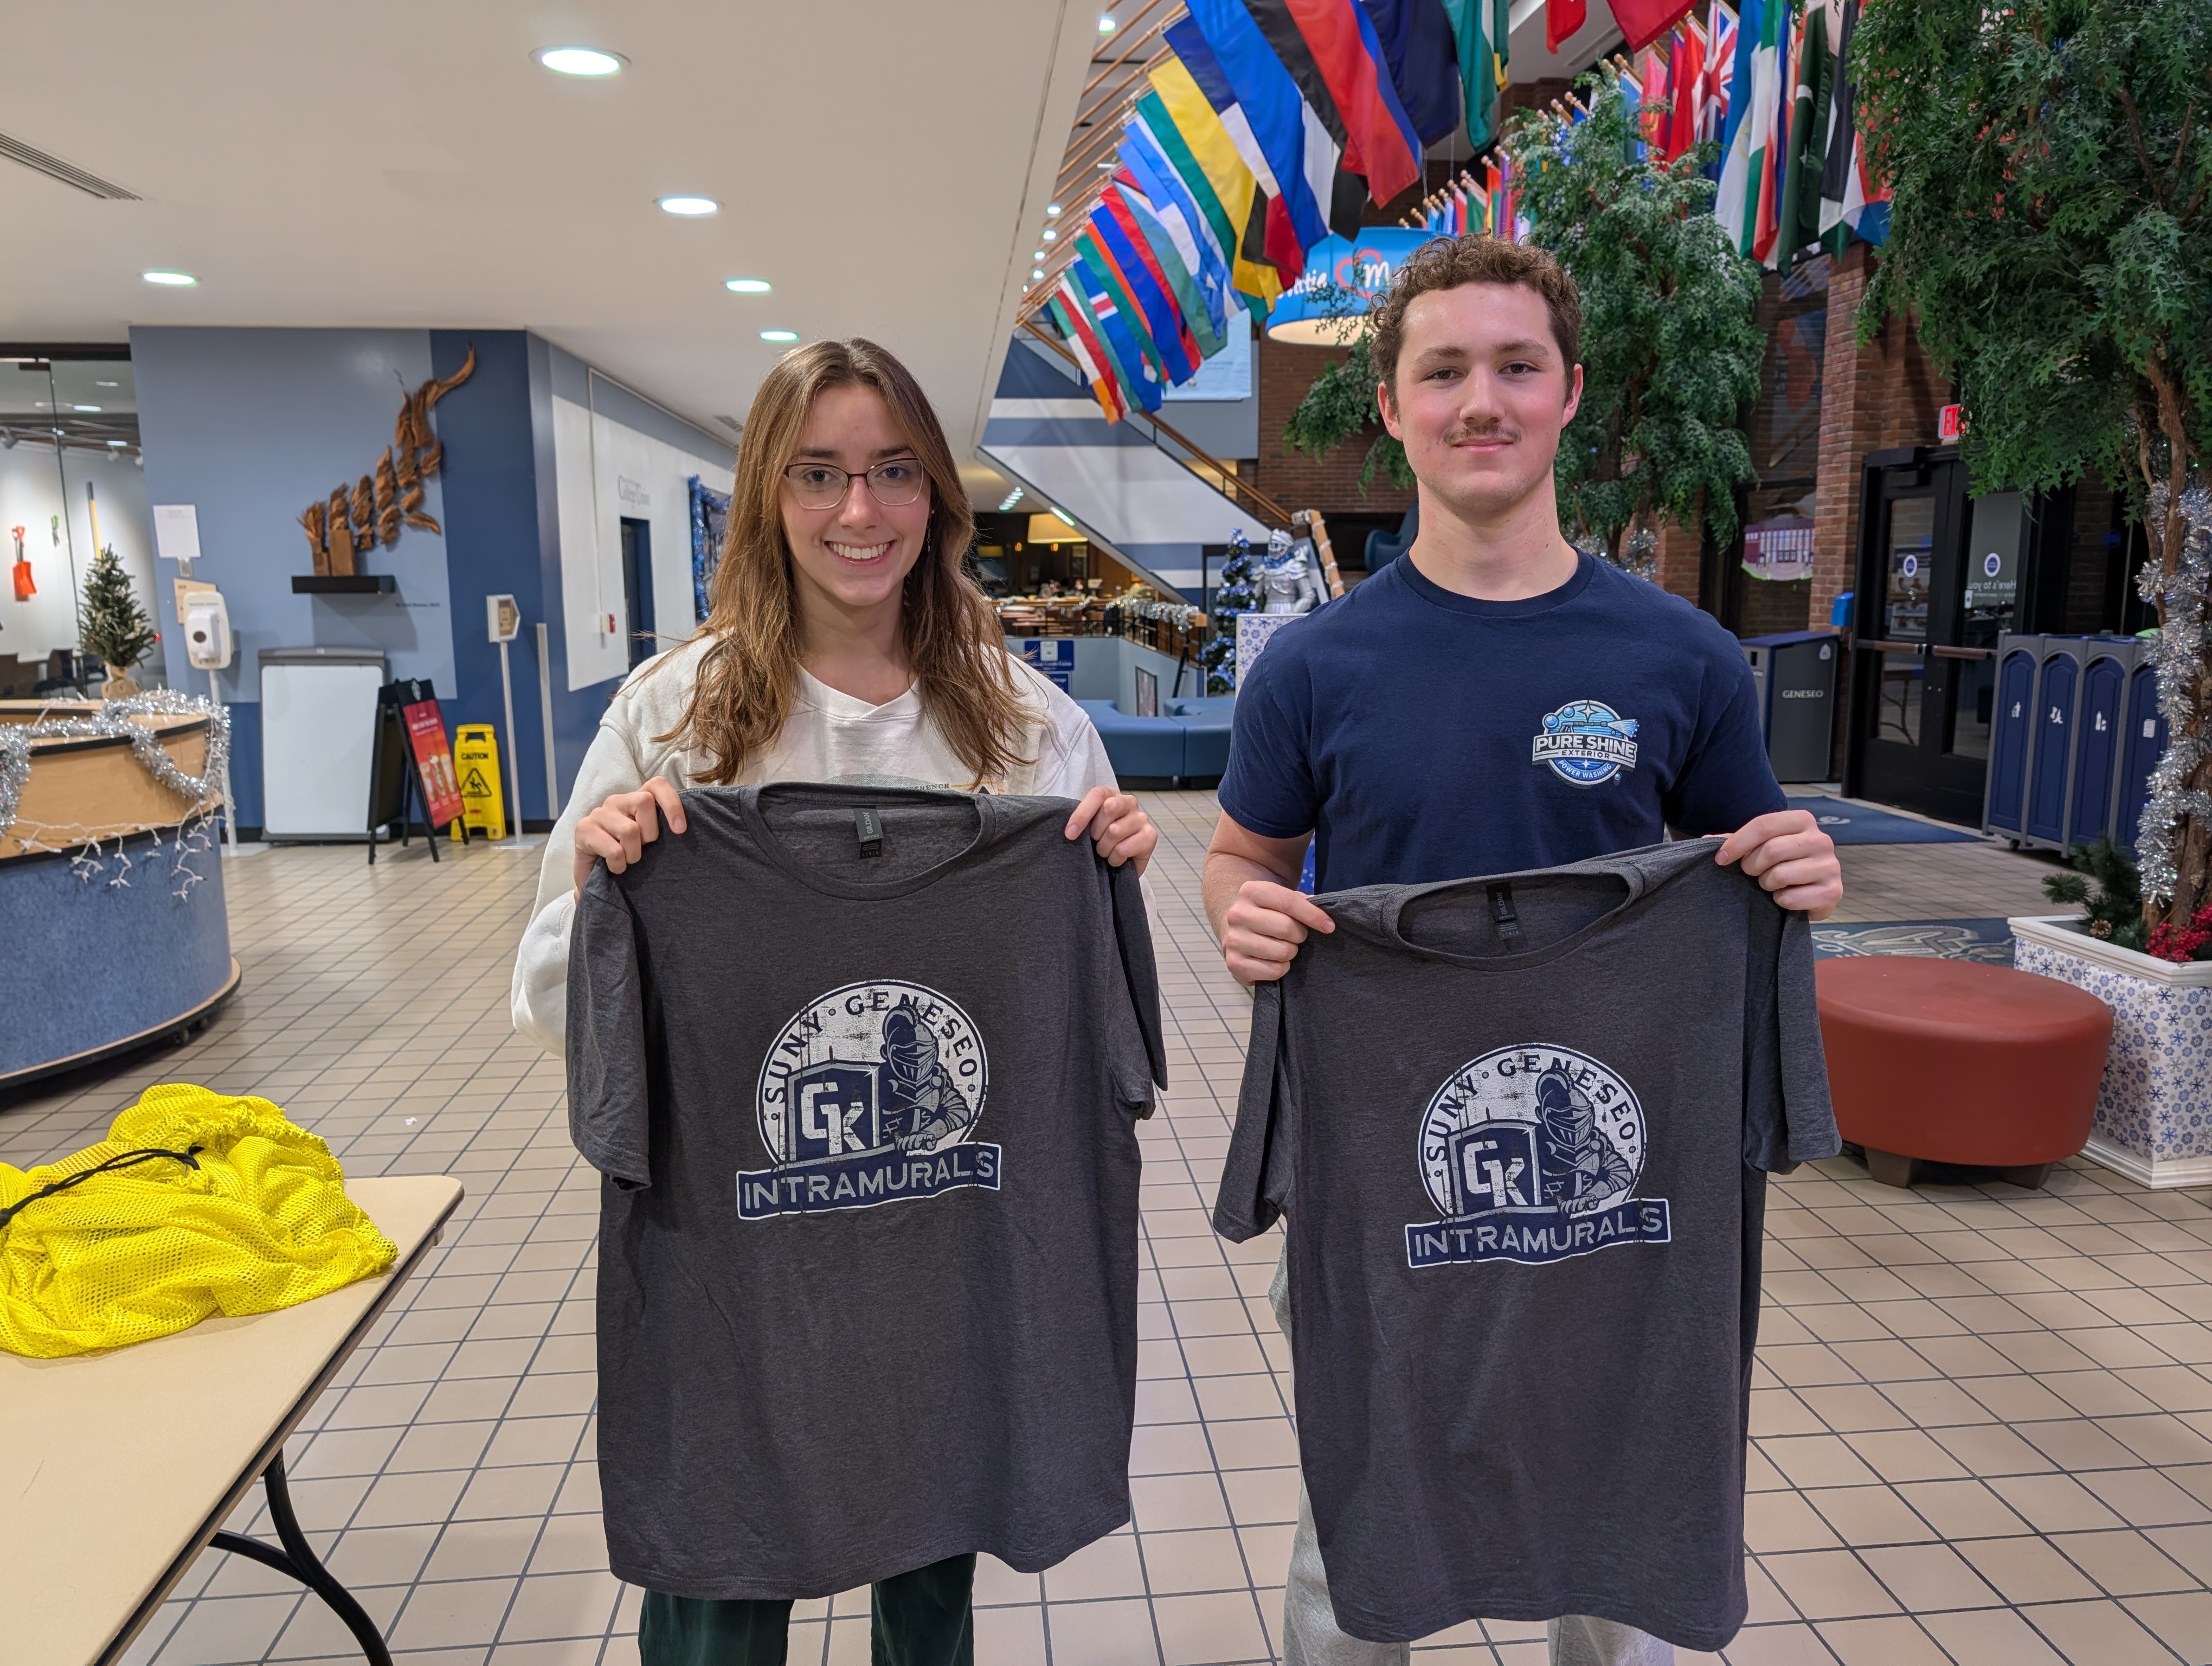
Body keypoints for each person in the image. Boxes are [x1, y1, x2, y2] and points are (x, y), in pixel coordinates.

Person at [1203, 238, 1842, 1666]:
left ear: (1568, 397)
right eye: (1444, 371)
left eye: (1513, 367)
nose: (1478, 400)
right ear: (1390, 404)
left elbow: (1757, 854)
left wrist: (1800, 865)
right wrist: (1239, 911)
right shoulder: (1313, 669)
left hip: (1619, 1199)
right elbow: (1242, 858)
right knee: (1356, 1533)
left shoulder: (1680, 660)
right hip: (1388, 1183)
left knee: (1617, 1528)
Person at [511, 336, 1156, 1666]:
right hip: (733, 1262)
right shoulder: (671, 720)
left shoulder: (1033, 735)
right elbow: (546, 986)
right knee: (721, 1582)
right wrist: (607, 884)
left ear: (936, 498)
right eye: (819, 474)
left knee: (931, 1557)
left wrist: (1104, 885)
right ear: (766, 494)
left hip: (946, 1258)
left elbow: (1103, 1043)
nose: (858, 513)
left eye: (892, 473)